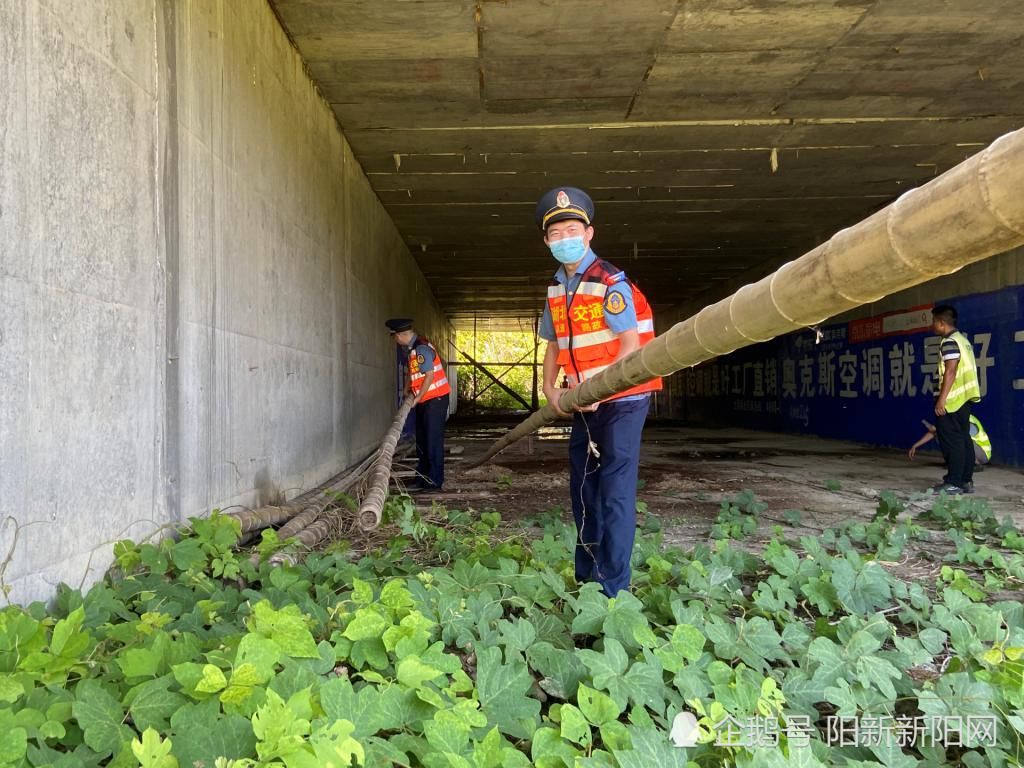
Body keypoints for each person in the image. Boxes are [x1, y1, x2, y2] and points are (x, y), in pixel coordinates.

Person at [536, 187, 662, 597]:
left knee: (614, 492)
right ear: (546, 241)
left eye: (572, 230)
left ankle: (614, 588)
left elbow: (630, 345)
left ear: (589, 233)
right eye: (556, 234)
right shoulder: (556, 288)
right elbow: (554, 344)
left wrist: (599, 389)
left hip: (624, 399)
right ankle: (587, 576)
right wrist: (549, 388)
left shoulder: (610, 282)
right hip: (585, 401)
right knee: (584, 489)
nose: (564, 239)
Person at [385, 318, 450, 492]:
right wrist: (408, 388)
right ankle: (422, 478)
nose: (395, 341)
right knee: (422, 441)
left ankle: (434, 481)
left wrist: (418, 396)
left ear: (400, 335)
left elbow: (429, 375)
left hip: (434, 400)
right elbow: (414, 372)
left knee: (432, 441)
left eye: (395, 337)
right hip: (425, 400)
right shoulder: (412, 349)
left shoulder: (421, 348)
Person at [928, 305, 981, 495]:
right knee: (964, 439)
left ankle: (954, 482)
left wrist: (941, 400)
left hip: (953, 399)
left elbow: (950, 371)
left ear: (942, 323)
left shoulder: (949, 342)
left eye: (933, 321)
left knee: (952, 442)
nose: (932, 325)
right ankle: (966, 480)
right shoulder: (963, 340)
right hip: (964, 398)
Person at [908, 415, 991, 492]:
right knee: (943, 434)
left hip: (982, 453)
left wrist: (938, 429)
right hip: (973, 451)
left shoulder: (966, 419)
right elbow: (934, 432)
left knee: (959, 439)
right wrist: (916, 445)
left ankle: (974, 464)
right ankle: (959, 466)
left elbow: (960, 435)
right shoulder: (952, 418)